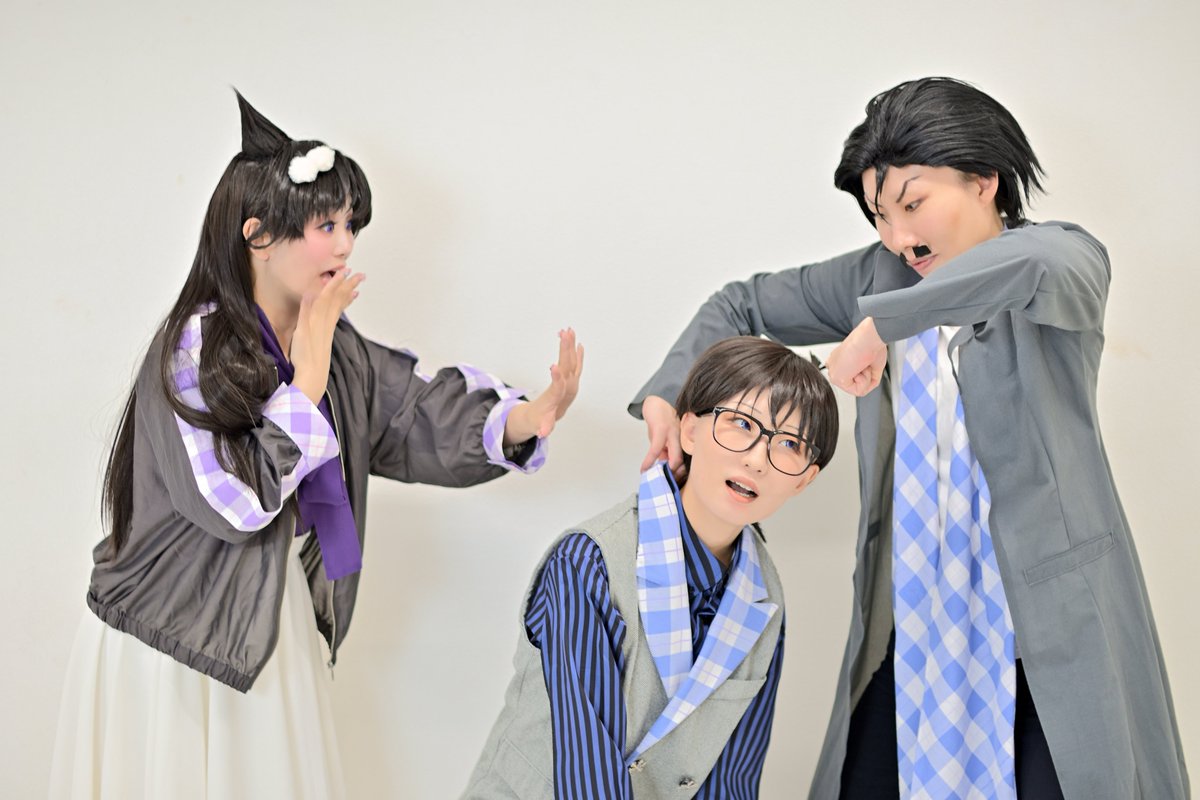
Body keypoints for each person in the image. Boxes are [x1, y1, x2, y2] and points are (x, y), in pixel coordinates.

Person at [630, 77, 1188, 799]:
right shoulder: (881, 273)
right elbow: (740, 303)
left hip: (1047, 625)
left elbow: (1028, 267)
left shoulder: (1061, 260)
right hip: (915, 613)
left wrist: (883, 323)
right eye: (880, 216)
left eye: (913, 204)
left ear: (984, 181)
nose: (898, 236)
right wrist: (666, 395)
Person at [49, 91, 583, 799]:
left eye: (350, 225)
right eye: (326, 225)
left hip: (272, 619)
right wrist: (305, 379)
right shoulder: (195, 348)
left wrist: (525, 419)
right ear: (258, 236)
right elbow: (234, 503)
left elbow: (411, 411)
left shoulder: (336, 346)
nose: (345, 245)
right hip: (174, 633)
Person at [465, 336, 839, 799]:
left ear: (805, 479)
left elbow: (732, 781)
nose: (757, 459)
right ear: (689, 430)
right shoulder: (588, 562)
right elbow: (588, 776)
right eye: (742, 424)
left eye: (788, 444)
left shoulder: (766, 597)